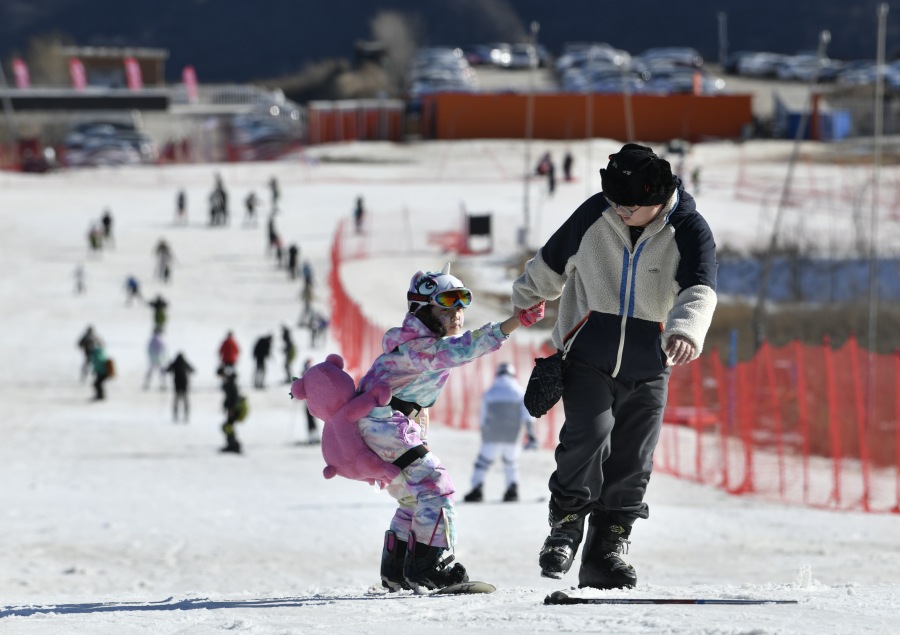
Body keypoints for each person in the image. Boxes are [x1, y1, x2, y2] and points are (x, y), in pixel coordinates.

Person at [510, 143, 718, 590]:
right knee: (587, 437)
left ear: (656, 199)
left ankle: (606, 550)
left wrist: (685, 330)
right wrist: (527, 297)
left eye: (628, 207)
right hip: (588, 354)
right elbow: (551, 262)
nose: (619, 211)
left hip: (650, 363)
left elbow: (699, 289)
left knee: (634, 457)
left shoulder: (688, 228)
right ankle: (565, 528)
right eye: (614, 203)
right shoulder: (596, 213)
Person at [355, 264, 543, 593]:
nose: (457, 313)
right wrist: (513, 322)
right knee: (436, 486)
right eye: (446, 307)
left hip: (384, 425)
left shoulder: (418, 344)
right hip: (385, 424)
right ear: (422, 311)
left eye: (461, 305)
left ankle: (398, 568)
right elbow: (463, 349)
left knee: (414, 497)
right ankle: (430, 567)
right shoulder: (419, 347)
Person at [462, 362, 536, 504]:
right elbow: (527, 415)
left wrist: (484, 433)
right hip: (512, 435)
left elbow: (483, 417)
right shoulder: (519, 392)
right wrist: (531, 434)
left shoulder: (490, 392)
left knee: (482, 463)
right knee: (511, 463)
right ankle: (512, 490)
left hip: (492, 435)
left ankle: (477, 489)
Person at [220, 367, 244, 453]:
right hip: (232, 408)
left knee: (228, 426)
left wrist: (231, 409)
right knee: (228, 426)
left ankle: (233, 445)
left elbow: (233, 397)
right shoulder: (230, 382)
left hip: (233, 409)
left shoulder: (231, 383)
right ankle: (232, 444)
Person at [166, 352, 195, 422]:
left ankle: (175, 416)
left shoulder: (174, 363)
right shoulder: (185, 362)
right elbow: (192, 370)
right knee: (185, 400)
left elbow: (167, 370)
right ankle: (186, 416)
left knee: (176, 400)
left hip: (177, 384)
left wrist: (169, 364)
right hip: (184, 384)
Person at [300, 358, 319, 444]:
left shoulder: (306, 374)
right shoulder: (311, 374)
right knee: (310, 419)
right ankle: (313, 437)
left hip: (310, 401)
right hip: (309, 401)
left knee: (311, 419)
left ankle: (314, 437)